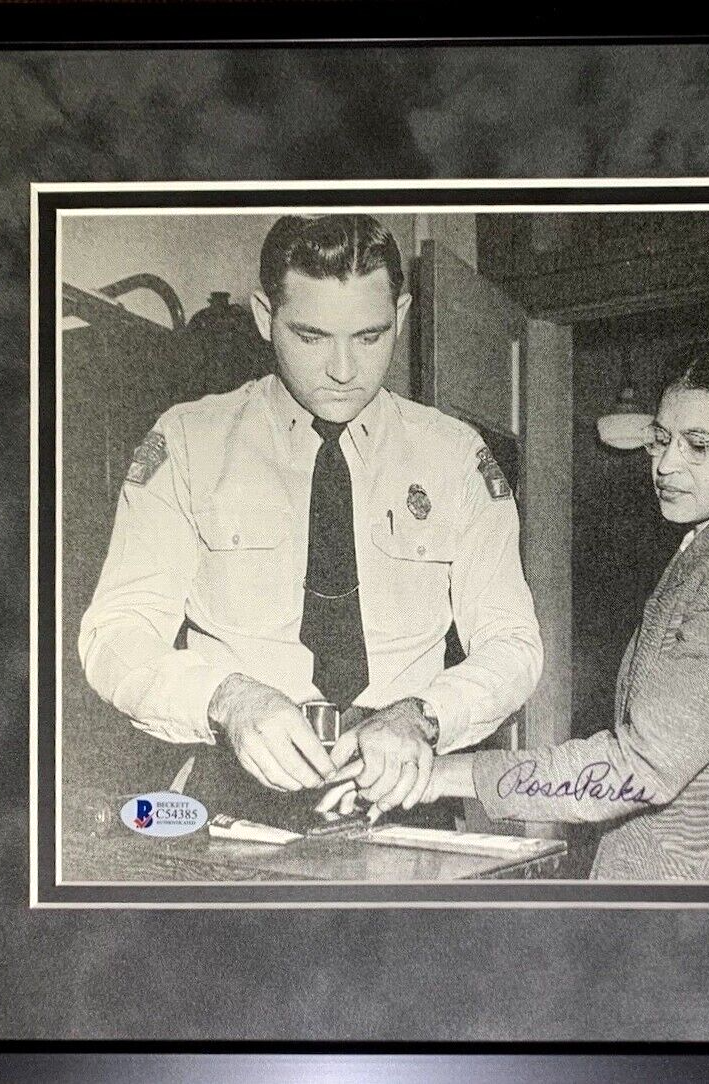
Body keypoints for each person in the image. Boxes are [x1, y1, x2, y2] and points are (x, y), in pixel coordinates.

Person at [78, 214, 542, 823]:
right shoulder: (190, 441)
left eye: (371, 337)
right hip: (232, 800)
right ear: (265, 318)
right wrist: (226, 698)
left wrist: (424, 715)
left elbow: (513, 644)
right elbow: (115, 634)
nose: (344, 369)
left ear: (401, 317)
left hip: (401, 797)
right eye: (312, 336)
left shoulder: (456, 457)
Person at [398, 332, 709, 880]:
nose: (666, 465)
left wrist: (440, 775)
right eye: (660, 439)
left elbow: (640, 767)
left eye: (698, 445)